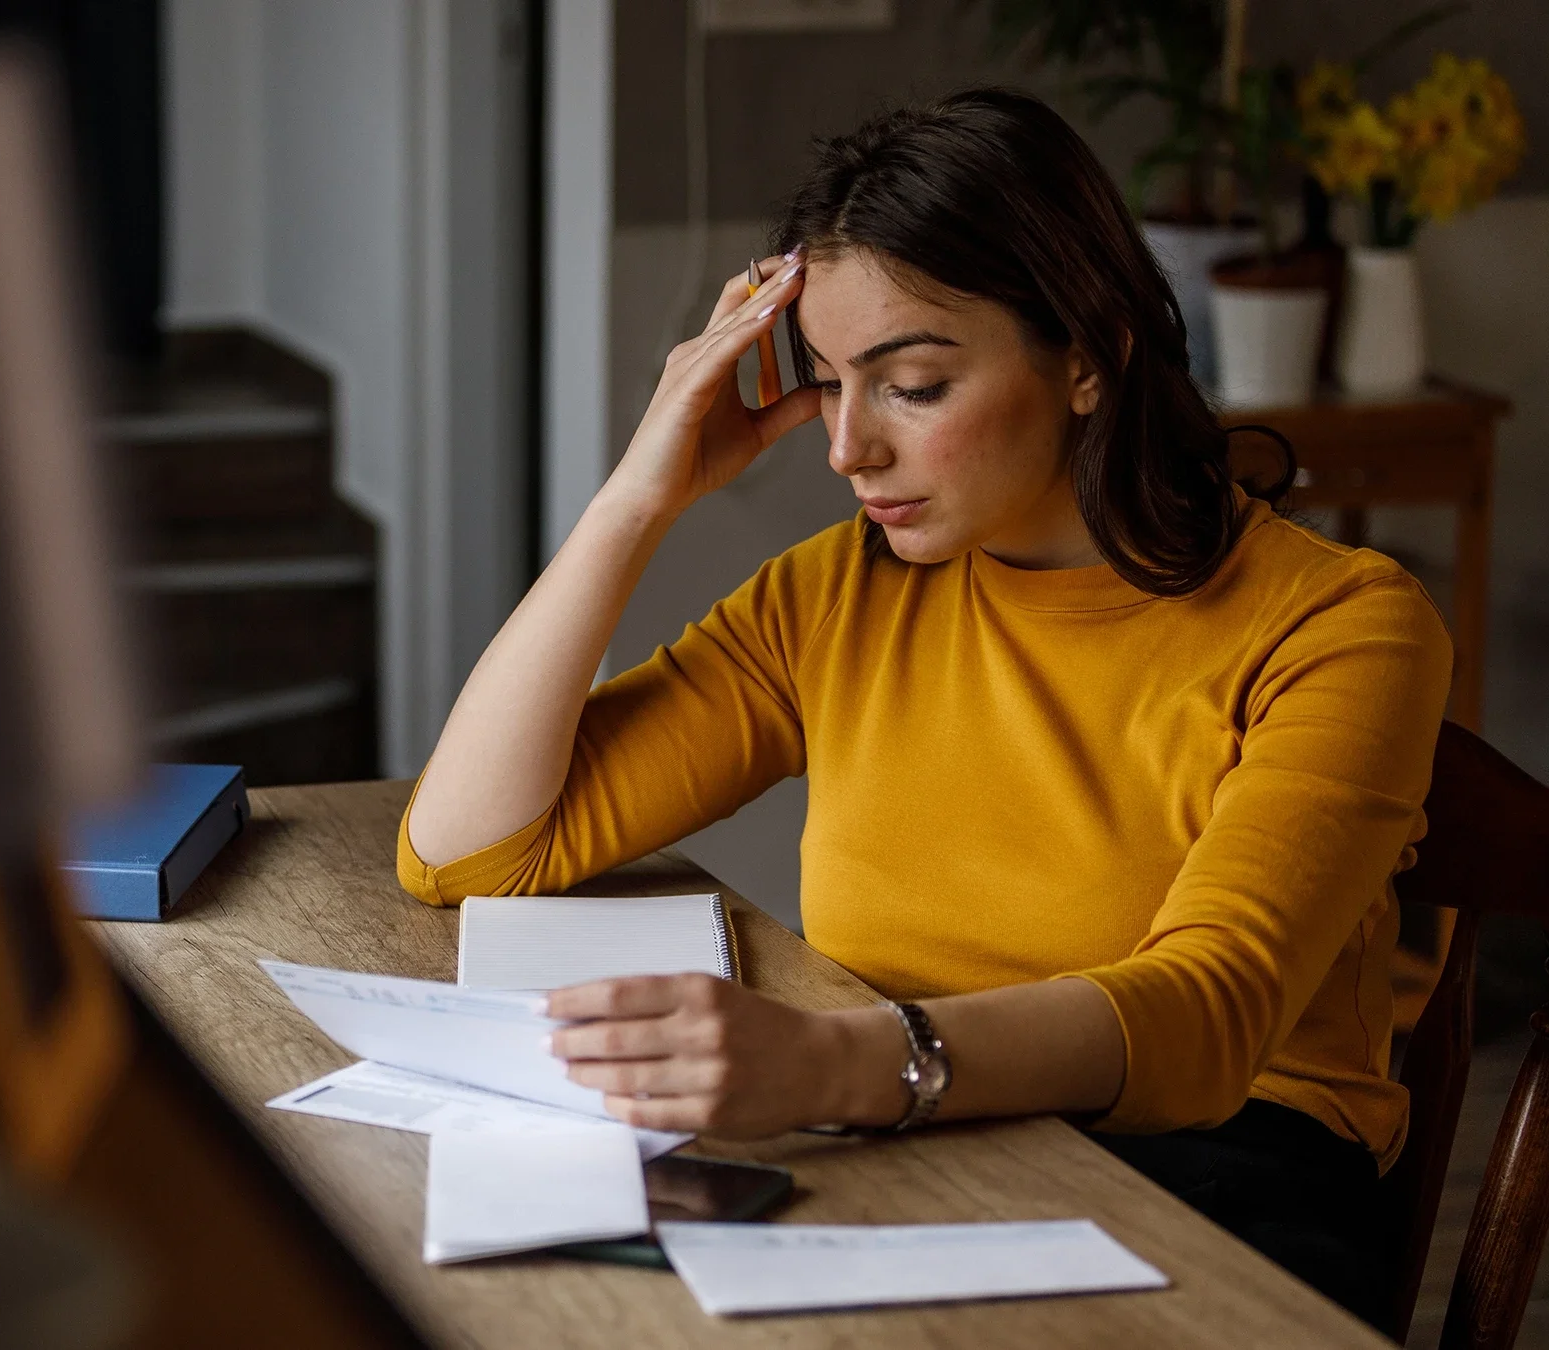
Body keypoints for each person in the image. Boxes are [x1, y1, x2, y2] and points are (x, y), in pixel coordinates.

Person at [397, 89, 1447, 1331]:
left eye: (911, 386)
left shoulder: (1341, 625)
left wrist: (834, 1062)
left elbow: (1206, 1016)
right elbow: (467, 852)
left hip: (1223, 1188)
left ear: (1090, 356)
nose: (846, 448)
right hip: (907, 1144)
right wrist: (638, 497)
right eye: (831, 385)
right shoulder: (840, 596)